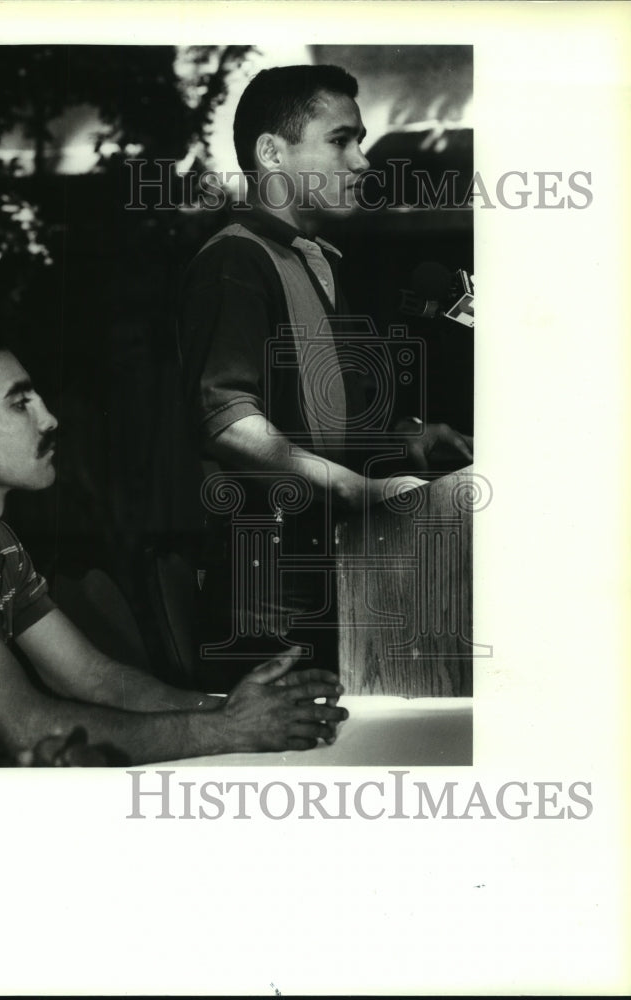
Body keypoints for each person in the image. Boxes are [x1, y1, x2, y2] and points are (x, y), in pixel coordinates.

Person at [0, 335, 347, 767]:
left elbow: (95, 678)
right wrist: (229, 728)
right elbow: (22, 726)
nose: (48, 418)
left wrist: (227, 710)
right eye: (19, 403)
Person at [178, 64, 473, 686]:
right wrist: (355, 490)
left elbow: (322, 419)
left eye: (359, 140)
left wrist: (408, 436)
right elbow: (228, 423)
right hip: (270, 604)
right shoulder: (236, 258)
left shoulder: (317, 259)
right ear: (271, 152)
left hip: (334, 578)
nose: (362, 161)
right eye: (340, 140)